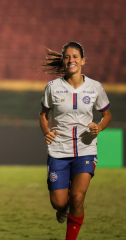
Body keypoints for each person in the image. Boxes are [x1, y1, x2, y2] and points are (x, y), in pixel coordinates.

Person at [39, 42, 111, 240]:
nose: (71, 60)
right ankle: (62, 209)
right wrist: (47, 131)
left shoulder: (95, 87)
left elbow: (107, 115)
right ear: (63, 61)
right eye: (67, 57)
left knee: (78, 197)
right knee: (60, 203)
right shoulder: (52, 87)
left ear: (83, 60)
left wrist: (100, 126)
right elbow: (43, 115)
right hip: (58, 151)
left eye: (75, 56)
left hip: (85, 149)